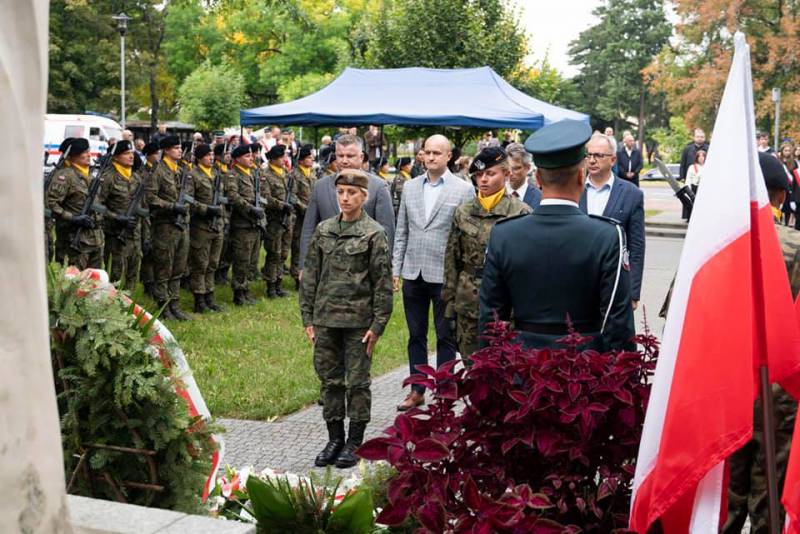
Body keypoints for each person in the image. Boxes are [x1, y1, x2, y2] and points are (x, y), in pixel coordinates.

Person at [479, 120, 634, 351]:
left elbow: (490, 318)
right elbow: (618, 322)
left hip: (521, 364)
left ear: (538, 179)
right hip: (584, 365)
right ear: (581, 176)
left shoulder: (504, 234)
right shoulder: (607, 236)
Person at [723, 152, 800, 534]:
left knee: (725, 502)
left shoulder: (717, 246)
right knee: (769, 498)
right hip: (778, 395)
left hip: (725, 391)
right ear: (782, 196)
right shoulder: (796, 246)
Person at [300, 168, 393, 469]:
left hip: (358, 323)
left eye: (352, 193)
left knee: (357, 384)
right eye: (340, 192)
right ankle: (335, 438)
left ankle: (354, 441)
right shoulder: (325, 229)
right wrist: (307, 318)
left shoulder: (374, 233)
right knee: (330, 382)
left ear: (364, 196)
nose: (345, 198)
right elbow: (310, 275)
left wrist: (378, 325)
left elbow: (382, 283)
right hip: (326, 320)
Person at [393, 134, 475, 411]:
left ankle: (444, 391)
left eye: (436, 153)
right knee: (416, 334)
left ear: (449, 156)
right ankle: (417, 389)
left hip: (444, 275)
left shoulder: (463, 190)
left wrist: (462, 275)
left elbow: (466, 237)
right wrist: (396, 269)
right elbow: (402, 231)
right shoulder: (410, 187)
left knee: (445, 336)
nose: (430, 157)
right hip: (413, 272)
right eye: (427, 152)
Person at [443, 147, 531, 358]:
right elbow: (452, 261)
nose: (483, 180)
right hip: (468, 303)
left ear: (506, 174)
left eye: (490, 174)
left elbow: (528, 267)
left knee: (503, 367)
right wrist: (449, 306)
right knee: (472, 365)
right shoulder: (464, 212)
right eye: (479, 174)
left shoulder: (521, 212)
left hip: (505, 306)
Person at [299, 134, 395, 271]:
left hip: (364, 270)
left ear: (361, 157)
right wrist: (304, 265)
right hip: (327, 269)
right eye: (340, 156)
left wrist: (384, 268)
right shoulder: (320, 186)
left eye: (350, 156)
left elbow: (387, 231)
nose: (344, 161)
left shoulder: (378, 187)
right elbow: (309, 229)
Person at [579, 133, 645, 309]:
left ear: (613, 160)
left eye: (598, 155)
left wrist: (633, 292)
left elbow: (636, 247)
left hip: (615, 284)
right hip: (576, 281)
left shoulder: (631, 194)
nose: (592, 160)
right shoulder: (573, 190)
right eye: (588, 155)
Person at [146, 135, 193, 321]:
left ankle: (174, 303)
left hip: (182, 225)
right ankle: (163, 305)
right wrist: (172, 206)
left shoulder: (180, 171)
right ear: (166, 150)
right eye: (176, 148)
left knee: (179, 266)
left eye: (180, 147)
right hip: (165, 226)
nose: (180, 150)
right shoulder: (158, 171)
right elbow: (150, 198)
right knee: (164, 266)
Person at [47, 137, 105, 270]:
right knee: (75, 280)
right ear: (73, 155)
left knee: (95, 279)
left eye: (88, 151)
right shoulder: (65, 176)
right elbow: (51, 203)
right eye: (84, 152)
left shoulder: (91, 177)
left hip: (95, 239)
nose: (88, 155)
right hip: (74, 240)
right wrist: (73, 218)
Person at [98, 140, 146, 290]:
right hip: (116, 235)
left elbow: (142, 206)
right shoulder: (108, 177)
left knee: (132, 272)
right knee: (116, 274)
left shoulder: (136, 178)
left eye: (131, 153)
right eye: (126, 153)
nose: (131, 156)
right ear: (116, 157)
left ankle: (130, 301)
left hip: (134, 234)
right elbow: (97, 206)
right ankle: (112, 302)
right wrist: (116, 218)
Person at [186, 144, 225, 313]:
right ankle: (199, 299)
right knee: (200, 264)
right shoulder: (192, 175)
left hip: (217, 226)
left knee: (213, 263)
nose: (211, 157)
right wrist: (206, 209)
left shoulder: (215, 174)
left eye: (212, 155)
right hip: (201, 226)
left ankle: (209, 295)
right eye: (208, 155)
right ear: (199, 157)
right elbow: (188, 200)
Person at [227, 145, 263, 305]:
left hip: (254, 224)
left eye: (251, 155)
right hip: (242, 224)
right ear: (238, 158)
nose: (251, 158)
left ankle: (245, 289)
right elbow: (233, 196)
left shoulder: (252, 175)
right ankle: (239, 293)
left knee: (250, 260)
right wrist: (250, 209)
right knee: (241, 260)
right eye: (247, 156)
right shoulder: (233, 175)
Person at [261, 144, 295, 298]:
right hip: (274, 220)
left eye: (284, 157)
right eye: (281, 157)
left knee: (283, 253)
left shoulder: (285, 173)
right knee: (274, 253)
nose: (284, 160)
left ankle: (279, 283)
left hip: (287, 219)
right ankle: (271, 285)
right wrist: (282, 205)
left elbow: (291, 192)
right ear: (273, 159)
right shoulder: (266, 175)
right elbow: (265, 198)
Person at [289, 144, 314, 289]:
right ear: (301, 160)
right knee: (298, 247)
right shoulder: (295, 175)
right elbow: (292, 196)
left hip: (311, 216)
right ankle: (297, 276)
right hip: (300, 217)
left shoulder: (312, 174)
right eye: (309, 158)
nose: (312, 160)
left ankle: (309, 275)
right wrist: (305, 209)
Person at [139, 141, 160, 296]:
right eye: (156, 154)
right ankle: (148, 282)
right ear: (149, 155)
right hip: (145, 215)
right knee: (147, 248)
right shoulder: (142, 172)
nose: (159, 156)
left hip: (157, 215)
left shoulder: (159, 171)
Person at [679, 129, 709, 220]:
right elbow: (683, 163)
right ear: (694, 137)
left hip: (704, 177)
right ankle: (688, 216)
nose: (700, 138)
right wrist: (682, 176)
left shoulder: (709, 148)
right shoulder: (688, 148)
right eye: (698, 136)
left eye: (702, 137)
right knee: (689, 197)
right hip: (690, 177)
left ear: (704, 138)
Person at [213, 143, 233, 284]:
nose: (228, 156)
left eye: (229, 154)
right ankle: (216, 272)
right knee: (221, 244)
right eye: (225, 154)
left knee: (228, 245)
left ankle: (224, 270)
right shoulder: (215, 171)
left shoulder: (229, 171)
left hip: (230, 213)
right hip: (221, 213)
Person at [505, 142, 542, 209]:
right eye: (507, 168)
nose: (510, 173)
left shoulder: (540, 198)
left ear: (528, 168)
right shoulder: (494, 194)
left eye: (516, 168)